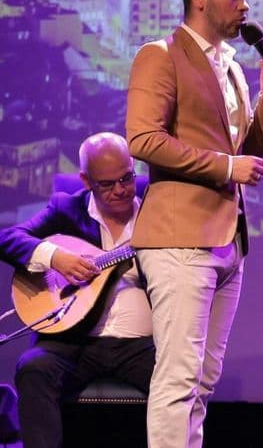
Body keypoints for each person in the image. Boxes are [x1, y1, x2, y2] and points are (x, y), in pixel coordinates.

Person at [125, 0, 263, 447]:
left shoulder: (235, 69)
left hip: (227, 241)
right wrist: (225, 166)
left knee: (202, 380)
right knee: (178, 377)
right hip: (178, 237)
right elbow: (143, 139)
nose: (246, 6)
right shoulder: (160, 55)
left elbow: (247, 152)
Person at [0, 132, 155, 448]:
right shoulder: (66, 209)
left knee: (183, 376)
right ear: (86, 181)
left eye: (127, 178)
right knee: (33, 367)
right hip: (72, 344)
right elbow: (7, 238)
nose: (121, 190)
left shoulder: (157, 209)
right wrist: (56, 257)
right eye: (107, 184)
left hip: (140, 345)